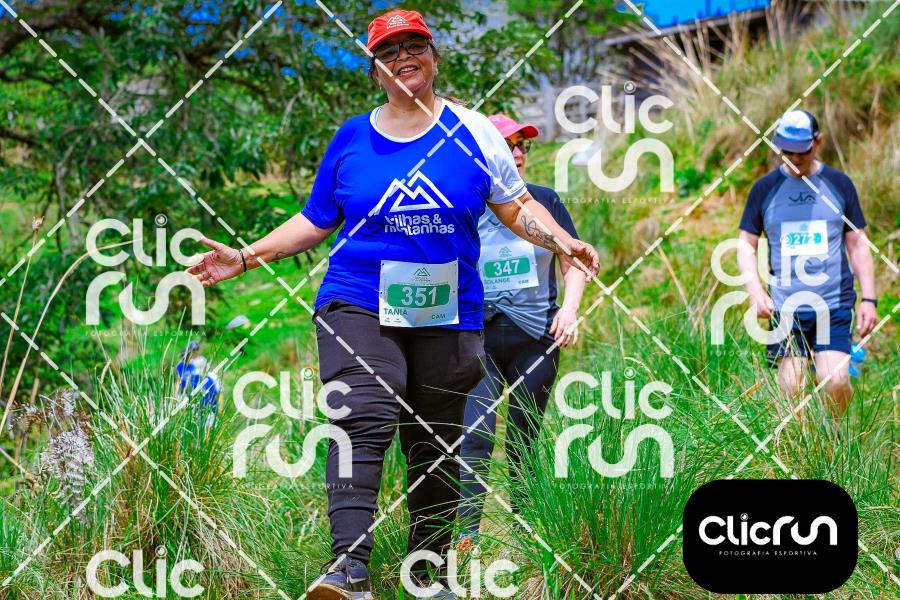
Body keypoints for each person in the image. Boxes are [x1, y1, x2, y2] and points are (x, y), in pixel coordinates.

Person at [187, 9, 599, 599]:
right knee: (364, 409)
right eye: (389, 51)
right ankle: (348, 571)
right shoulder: (352, 138)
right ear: (376, 70)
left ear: (434, 57)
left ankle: (427, 575)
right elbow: (315, 219)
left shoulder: (475, 131)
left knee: (436, 441)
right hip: (357, 295)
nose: (403, 57)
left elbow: (513, 206)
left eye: (414, 46)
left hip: (446, 308)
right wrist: (246, 257)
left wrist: (562, 242)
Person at [458, 114, 585, 541]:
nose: (516, 153)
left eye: (522, 146)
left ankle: (527, 533)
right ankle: (466, 535)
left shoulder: (545, 201)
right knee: (475, 435)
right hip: (476, 338)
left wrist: (570, 310)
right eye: (506, 145)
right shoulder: (464, 202)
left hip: (536, 337)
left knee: (523, 437)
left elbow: (573, 259)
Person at [737, 110, 877, 417]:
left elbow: (857, 244)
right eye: (787, 151)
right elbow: (746, 244)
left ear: (818, 143)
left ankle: (835, 435)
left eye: (802, 151)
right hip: (788, 305)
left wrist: (869, 299)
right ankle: (800, 444)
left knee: (835, 381)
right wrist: (755, 291)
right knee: (791, 387)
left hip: (833, 302)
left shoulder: (838, 184)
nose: (794, 158)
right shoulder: (765, 189)